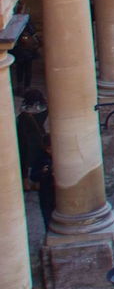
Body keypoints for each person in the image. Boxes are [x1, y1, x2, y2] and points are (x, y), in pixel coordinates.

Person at [16, 90, 52, 231]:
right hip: (38, 141)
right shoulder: (42, 111)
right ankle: (35, 183)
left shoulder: (24, 115)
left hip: (25, 142)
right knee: (39, 161)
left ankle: (26, 183)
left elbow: (20, 128)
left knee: (24, 162)